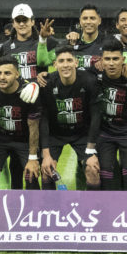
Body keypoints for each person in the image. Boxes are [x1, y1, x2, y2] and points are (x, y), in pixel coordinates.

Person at [39, 46, 100, 189]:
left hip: (82, 133)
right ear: (55, 65)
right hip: (56, 134)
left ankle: (94, 208)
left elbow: (96, 116)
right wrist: (46, 155)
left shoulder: (89, 81)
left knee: (92, 167)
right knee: (47, 171)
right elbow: (44, 119)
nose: (65, 64)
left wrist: (91, 150)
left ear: (76, 63)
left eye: (69, 60)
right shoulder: (46, 83)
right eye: (61, 61)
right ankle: (50, 208)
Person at [90, 39, 127, 190]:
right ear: (101, 60)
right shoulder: (95, 73)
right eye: (107, 59)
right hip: (105, 132)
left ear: (123, 59)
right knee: (106, 176)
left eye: (115, 59)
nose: (111, 63)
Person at [0, 56, 42, 189]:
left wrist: (32, 158)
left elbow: (34, 128)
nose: (2, 77)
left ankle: (35, 208)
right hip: (0, 138)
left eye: (7, 73)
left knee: (31, 175)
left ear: (17, 74)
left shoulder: (29, 93)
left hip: (24, 140)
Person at [4, 3, 57, 81]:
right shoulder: (5, 47)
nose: (21, 24)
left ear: (32, 22)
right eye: (18, 21)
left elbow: (57, 68)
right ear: (13, 24)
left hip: (41, 91)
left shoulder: (46, 42)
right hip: (15, 92)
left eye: (25, 20)